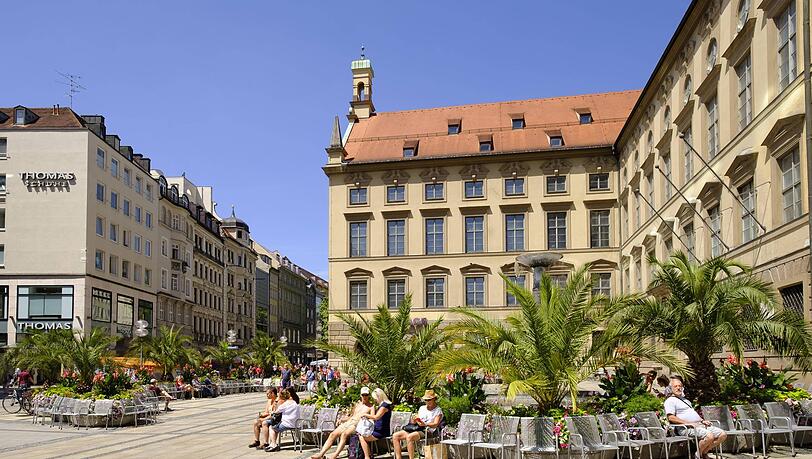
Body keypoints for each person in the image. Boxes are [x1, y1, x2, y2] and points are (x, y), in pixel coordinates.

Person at [664, 377, 727, 459]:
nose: (678, 388)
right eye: (675, 386)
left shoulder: (685, 400)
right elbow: (671, 418)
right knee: (709, 436)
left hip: (698, 425)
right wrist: (688, 423)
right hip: (685, 428)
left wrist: (702, 421)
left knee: (722, 435)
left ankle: (703, 452)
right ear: (671, 388)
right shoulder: (670, 401)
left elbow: (692, 413)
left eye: (680, 386)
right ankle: (698, 456)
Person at [310, 386, 375, 459]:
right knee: (333, 434)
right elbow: (352, 416)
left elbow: (373, 418)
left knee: (344, 434)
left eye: (366, 395)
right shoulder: (357, 404)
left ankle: (335, 455)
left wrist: (366, 418)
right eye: (363, 395)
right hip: (349, 422)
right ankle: (321, 454)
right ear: (360, 395)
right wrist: (342, 419)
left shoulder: (371, 406)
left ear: (369, 395)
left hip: (358, 424)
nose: (365, 397)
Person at [392, 390, 443, 459]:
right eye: (426, 400)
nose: (427, 402)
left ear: (434, 399)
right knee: (395, 436)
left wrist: (425, 424)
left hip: (428, 431)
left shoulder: (438, 410)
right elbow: (414, 422)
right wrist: (414, 419)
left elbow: (435, 424)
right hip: (417, 428)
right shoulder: (422, 408)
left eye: (429, 400)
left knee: (410, 437)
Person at [359, 388, 393, 459]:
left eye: (375, 398)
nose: (375, 400)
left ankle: (367, 456)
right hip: (378, 429)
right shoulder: (382, 405)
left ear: (379, 397)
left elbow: (376, 417)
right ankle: (368, 455)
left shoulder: (384, 406)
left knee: (362, 437)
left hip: (382, 431)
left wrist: (365, 415)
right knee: (361, 433)